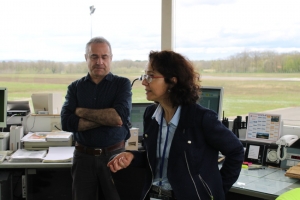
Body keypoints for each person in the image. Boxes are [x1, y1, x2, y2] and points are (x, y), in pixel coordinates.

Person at [107, 50, 244, 200]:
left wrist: (215, 191)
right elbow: (154, 158)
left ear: (172, 81)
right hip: (154, 196)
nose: (144, 82)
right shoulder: (151, 115)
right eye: (145, 76)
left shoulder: (201, 118)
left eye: (151, 76)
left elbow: (236, 151)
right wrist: (132, 156)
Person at [61, 36, 132, 200]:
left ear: (111, 58)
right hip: (83, 159)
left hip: (115, 156)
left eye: (104, 57)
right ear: (86, 58)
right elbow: (66, 122)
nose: (99, 61)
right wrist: (105, 118)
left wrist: (79, 111)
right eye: (94, 56)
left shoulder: (122, 84)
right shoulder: (75, 87)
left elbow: (118, 118)